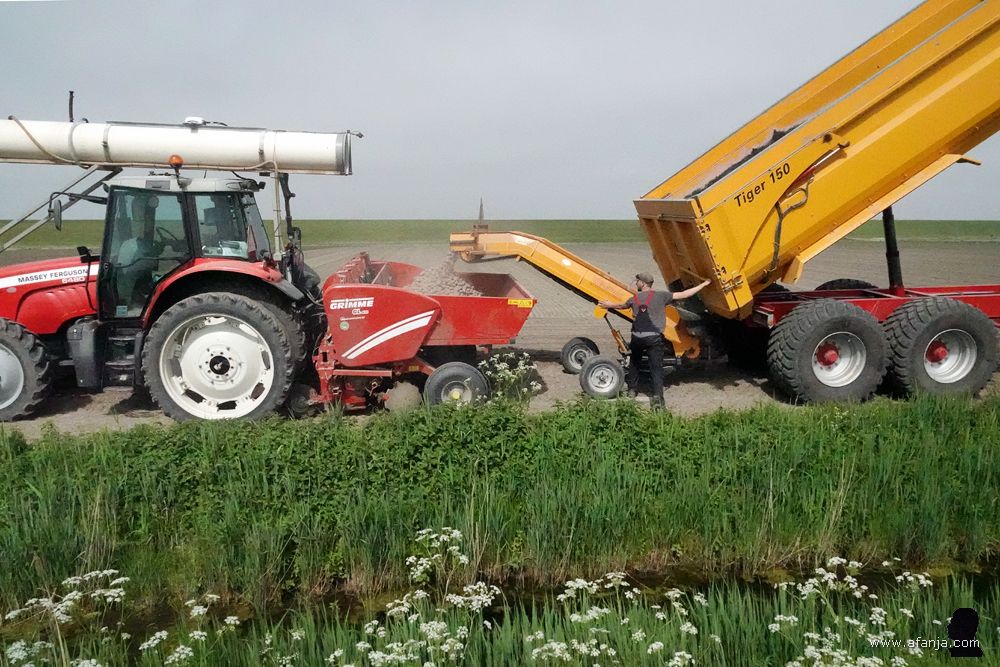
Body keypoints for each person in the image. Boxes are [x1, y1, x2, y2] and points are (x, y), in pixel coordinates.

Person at [598, 272, 710, 408]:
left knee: (634, 363)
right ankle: (658, 398)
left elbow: (621, 306)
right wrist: (704, 284)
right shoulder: (661, 296)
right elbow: (685, 294)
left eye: (637, 280)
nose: (636, 282)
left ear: (643, 283)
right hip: (654, 338)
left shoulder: (634, 299)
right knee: (656, 368)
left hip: (638, 338)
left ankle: (632, 391)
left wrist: (609, 304)